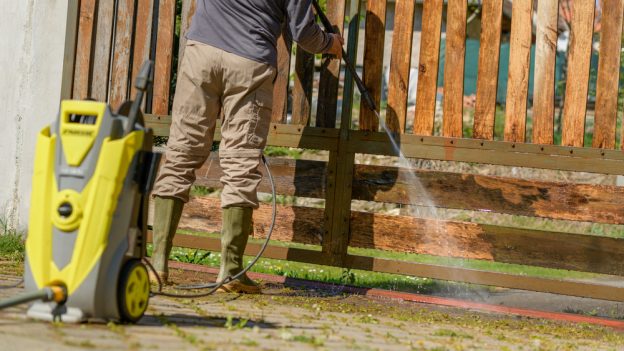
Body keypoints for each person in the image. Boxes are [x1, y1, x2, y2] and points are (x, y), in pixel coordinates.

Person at [150, 0, 343, 294]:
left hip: (201, 50)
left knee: (181, 153)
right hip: (249, 63)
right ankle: (230, 272)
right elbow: (304, 34)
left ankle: (158, 265)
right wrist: (331, 43)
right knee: (240, 162)